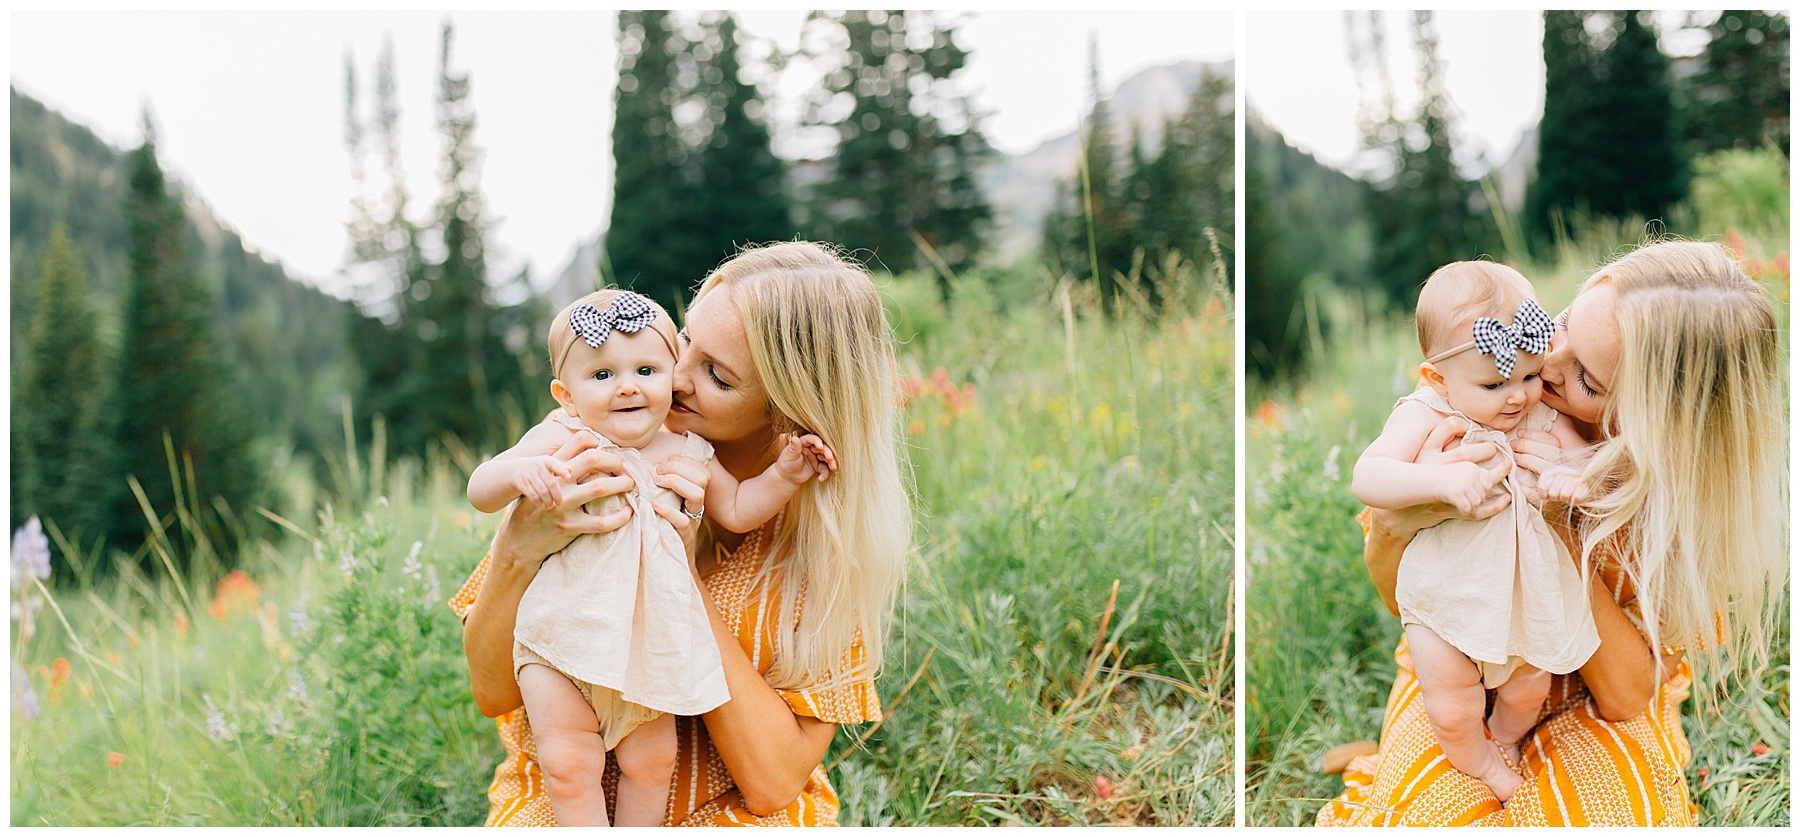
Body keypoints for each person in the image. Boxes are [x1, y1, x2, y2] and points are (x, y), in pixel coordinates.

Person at [1319, 240, 1786, 826]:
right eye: (1560, 323)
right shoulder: (1478, 399)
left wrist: (1565, 523)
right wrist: (1404, 516)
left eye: (1587, 378)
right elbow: (1400, 599)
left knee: (1602, 818)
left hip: (1592, 691)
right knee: (1432, 815)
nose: (1546, 361)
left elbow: (1625, 696)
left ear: (1651, 416)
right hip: (1467, 658)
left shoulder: (1677, 496)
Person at [453, 242, 911, 826]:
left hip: (731, 812)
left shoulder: (820, 545)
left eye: (716, 374)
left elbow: (774, 783)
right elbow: (492, 693)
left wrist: (676, 571)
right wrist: (519, 547)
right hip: (567, 797)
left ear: (787, 408)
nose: (673, 378)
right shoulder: (588, 454)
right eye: (684, 342)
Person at [1349, 262, 1596, 802]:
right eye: (1494, 383)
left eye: (1530, 376)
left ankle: (1507, 737)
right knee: (1453, 705)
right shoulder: (1426, 412)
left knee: (1530, 687)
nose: (1517, 397)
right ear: (1438, 377)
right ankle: (1480, 761)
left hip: (1523, 598)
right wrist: (1436, 478)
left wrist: (1574, 475)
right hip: (1445, 599)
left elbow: (1592, 461)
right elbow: (1368, 475)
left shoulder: (1536, 409)